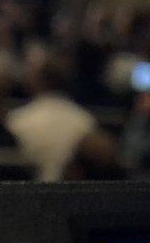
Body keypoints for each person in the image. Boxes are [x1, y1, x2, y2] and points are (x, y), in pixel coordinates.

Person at [5, 51, 96, 181]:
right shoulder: (86, 120)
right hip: (72, 192)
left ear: (37, 81)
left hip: (30, 189)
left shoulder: (18, 120)